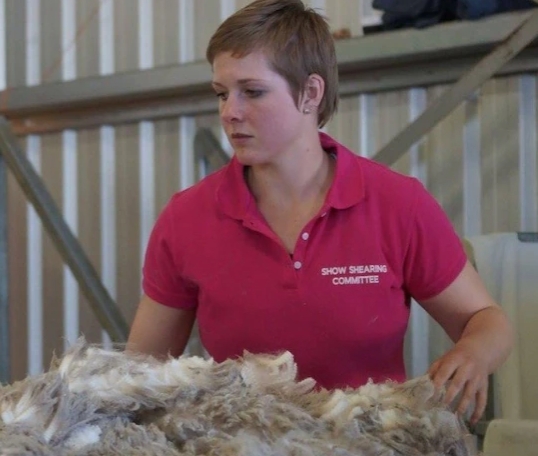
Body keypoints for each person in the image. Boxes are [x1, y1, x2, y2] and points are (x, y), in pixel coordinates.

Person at [126, 0, 513, 426]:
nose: (229, 112)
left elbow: (487, 320)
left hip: (369, 445)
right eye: (222, 93)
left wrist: (473, 352)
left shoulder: (398, 204)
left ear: (311, 92)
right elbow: (140, 372)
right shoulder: (187, 219)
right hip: (243, 445)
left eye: (252, 91)